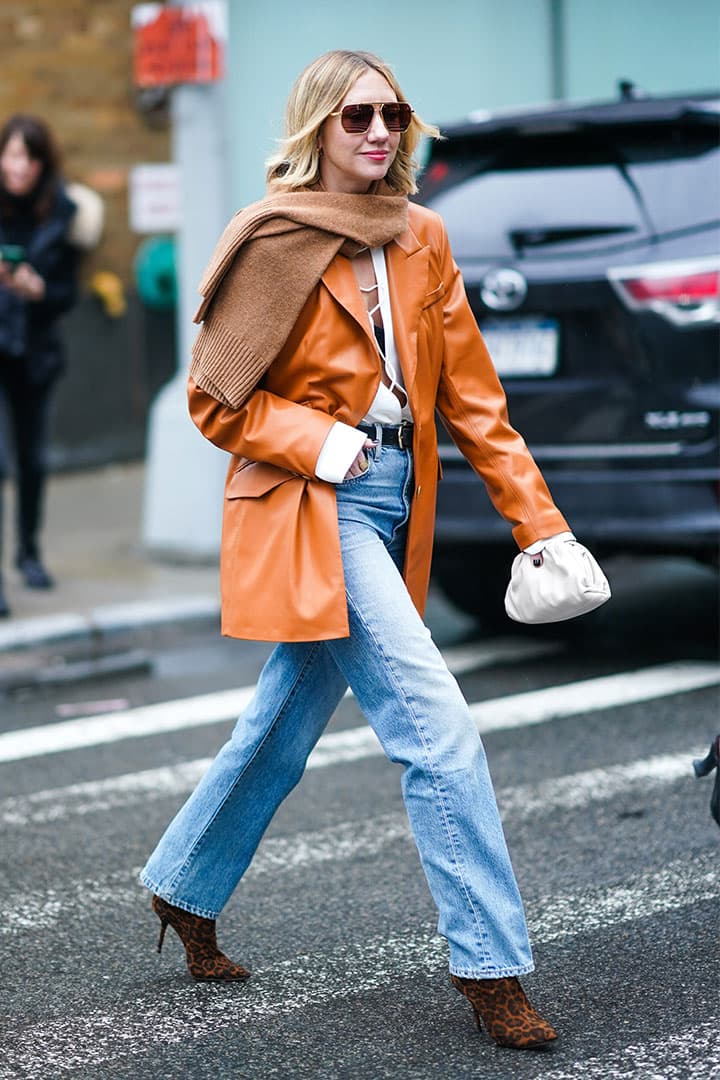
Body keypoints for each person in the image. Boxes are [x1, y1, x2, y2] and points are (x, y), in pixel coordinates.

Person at [141, 50, 576, 1051]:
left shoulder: (422, 238)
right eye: (358, 118)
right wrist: (319, 440)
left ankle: (181, 887)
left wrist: (540, 525)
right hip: (311, 504)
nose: (381, 132)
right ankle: (491, 967)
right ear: (317, 132)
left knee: (283, 721)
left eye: (393, 115)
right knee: (438, 732)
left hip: (395, 503)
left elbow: (475, 402)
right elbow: (216, 399)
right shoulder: (274, 238)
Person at [0, 114, 80, 615]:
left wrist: (39, 290)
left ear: (41, 162)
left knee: (32, 459)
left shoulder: (62, 211)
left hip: (35, 352)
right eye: (10, 155)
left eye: (27, 157)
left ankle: (29, 552)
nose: (18, 166)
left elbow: (68, 291)